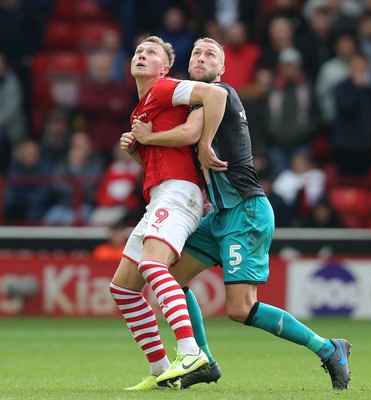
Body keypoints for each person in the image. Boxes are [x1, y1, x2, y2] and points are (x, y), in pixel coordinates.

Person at [129, 37, 352, 390]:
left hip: (246, 210)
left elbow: (189, 134)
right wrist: (141, 146)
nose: (201, 58)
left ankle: (329, 349)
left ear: (222, 68)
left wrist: (152, 136)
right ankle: (200, 360)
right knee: (169, 276)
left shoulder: (220, 92)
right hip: (218, 214)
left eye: (211, 54)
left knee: (240, 308)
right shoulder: (196, 101)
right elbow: (180, 143)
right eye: (197, 53)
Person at [110, 35, 228, 390]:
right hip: (160, 195)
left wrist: (204, 144)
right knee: (124, 289)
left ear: (164, 67)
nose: (142, 55)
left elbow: (216, 94)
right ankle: (161, 369)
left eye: (151, 53)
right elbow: (161, 153)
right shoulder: (141, 109)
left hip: (180, 192)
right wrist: (137, 149)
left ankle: (192, 352)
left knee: (152, 265)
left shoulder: (164, 88)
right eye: (138, 51)